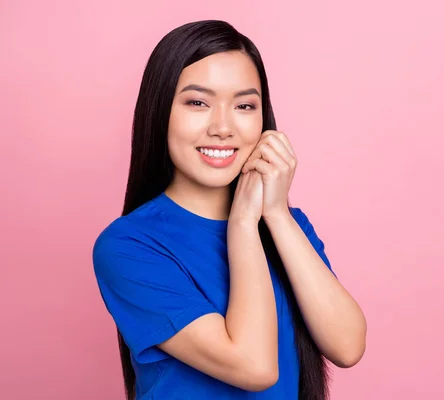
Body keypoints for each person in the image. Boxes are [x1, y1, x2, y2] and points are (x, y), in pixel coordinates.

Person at [92, 20, 367, 400]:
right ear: (160, 112)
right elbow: (254, 367)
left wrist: (276, 215)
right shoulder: (128, 246)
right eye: (198, 102)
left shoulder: (288, 226)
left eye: (243, 105)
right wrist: (242, 221)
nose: (223, 127)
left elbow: (348, 347)